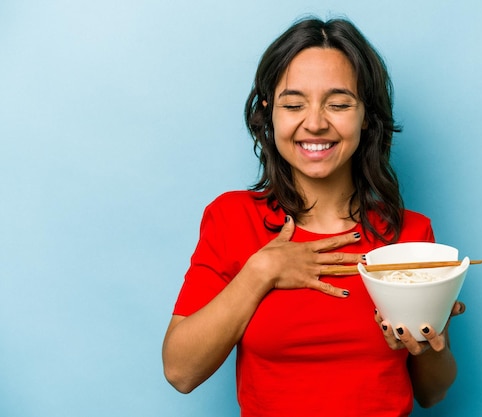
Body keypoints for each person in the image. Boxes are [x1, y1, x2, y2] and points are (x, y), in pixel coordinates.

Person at [162, 16, 465, 417]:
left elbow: (433, 392)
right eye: (293, 104)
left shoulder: (411, 233)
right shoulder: (231, 218)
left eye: (339, 104)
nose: (316, 122)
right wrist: (262, 270)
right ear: (269, 111)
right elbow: (180, 372)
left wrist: (431, 342)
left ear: (367, 115)